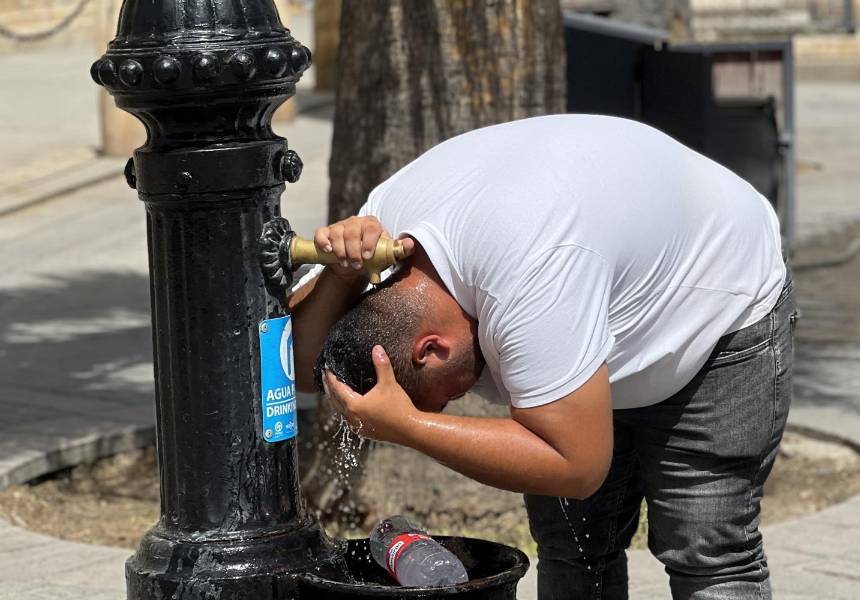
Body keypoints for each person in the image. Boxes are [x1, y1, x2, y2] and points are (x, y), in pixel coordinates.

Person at [290, 114, 794, 600]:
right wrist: (340, 272)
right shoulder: (385, 241)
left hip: (717, 303)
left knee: (708, 551)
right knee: (576, 550)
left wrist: (410, 427)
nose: (454, 403)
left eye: (437, 399)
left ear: (430, 348)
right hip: (595, 290)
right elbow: (301, 362)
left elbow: (576, 466)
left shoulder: (530, 281)